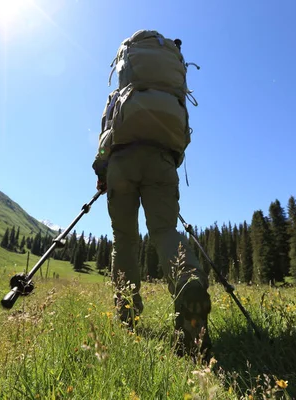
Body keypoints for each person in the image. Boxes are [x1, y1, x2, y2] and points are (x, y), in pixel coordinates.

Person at [92, 30, 212, 359]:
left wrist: (101, 172)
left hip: (121, 164)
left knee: (124, 238)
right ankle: (188, 280)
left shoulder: (120, 95)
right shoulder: (168, 92)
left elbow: (106, 134)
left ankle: (127, 313)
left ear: (125, 64)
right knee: (164, 231)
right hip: (162, 160)